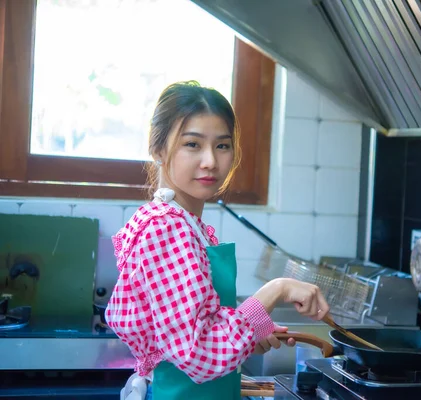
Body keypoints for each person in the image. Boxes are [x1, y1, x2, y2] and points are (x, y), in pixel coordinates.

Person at [105, 81, 330, 400]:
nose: (210, 160)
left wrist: (253, 331)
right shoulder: (164, 229)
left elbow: (203, 330)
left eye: (222, 146)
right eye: (193, 144)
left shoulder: (187, 225)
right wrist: (276, 289)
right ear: (158, 149)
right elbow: (199, 356)